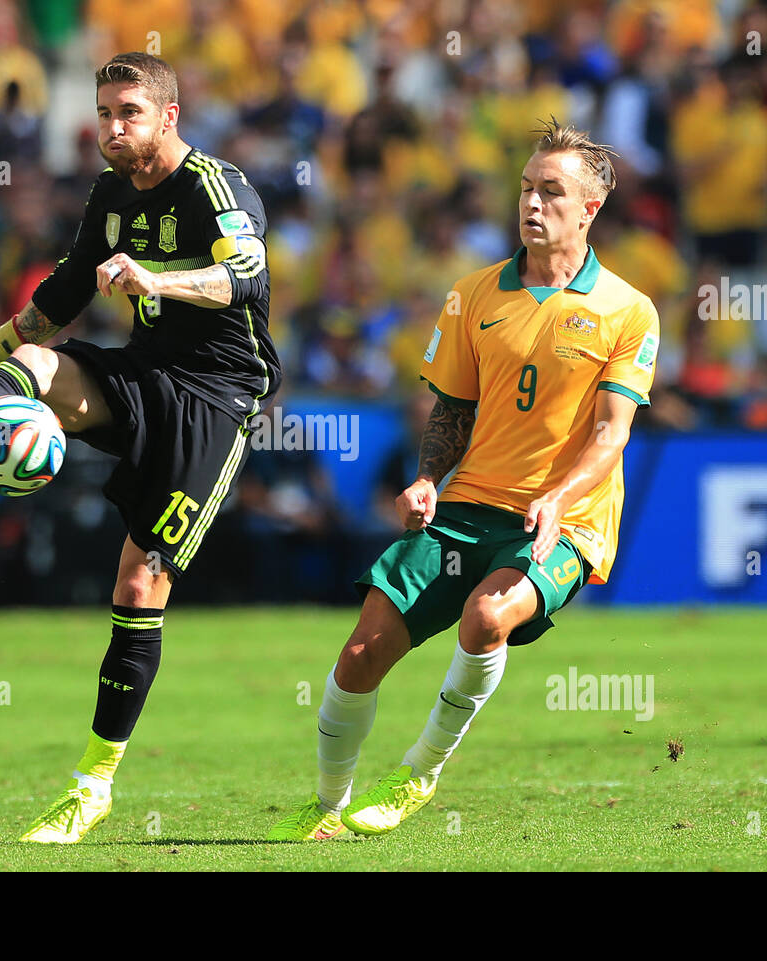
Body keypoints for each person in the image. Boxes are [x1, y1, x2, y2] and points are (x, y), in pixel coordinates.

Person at [0, 52, 280, 842]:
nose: (113, 130)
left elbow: (243, 278)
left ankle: (94, 781)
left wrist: (158, 280)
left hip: (218, 397)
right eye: (105, 115)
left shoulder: (216, 188)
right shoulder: (110, 194)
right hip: (145, 373)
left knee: (141, 582)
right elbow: (65, 293)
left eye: (130, 114)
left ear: (169, 117)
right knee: (34, 367)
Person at [268, 120, 659, 840]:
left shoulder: (628, 310)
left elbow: (612, 433)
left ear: (590, 209)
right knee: (361, 652)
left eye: (552, 192)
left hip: (565, 521)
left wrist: (558, 496)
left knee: (486, 617)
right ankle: (325, 804)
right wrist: (425, 479)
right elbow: (452, 408)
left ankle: (420, 769)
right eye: (526, 189)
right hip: (468, 504)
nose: (533, 204)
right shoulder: (474, 294)